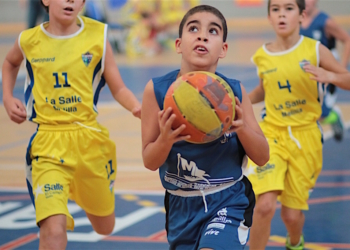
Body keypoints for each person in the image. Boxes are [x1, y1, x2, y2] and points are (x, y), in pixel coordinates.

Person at [2, 0, 141, 249]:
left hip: (90, 142)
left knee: (105, 226)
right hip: (48, 145)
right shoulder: (28, 40)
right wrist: (8, 96)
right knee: (53, 230)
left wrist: (136, 107)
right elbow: (10, 63)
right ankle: (60, 192)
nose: (71, 0)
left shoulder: (98, 35)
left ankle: (82, 190)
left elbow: (118, 87)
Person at [141, 5, 269, 249]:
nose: (202, 35)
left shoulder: (235, 93)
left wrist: (241, 128)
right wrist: (165, 140)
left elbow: (262, 157)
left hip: (228, 200)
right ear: (178, 44)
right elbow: (149, 160)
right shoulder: (156, 90)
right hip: (181, 205)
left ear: (223, 49)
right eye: (193, 28)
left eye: (213, 30)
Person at [246, 0, 350, 249]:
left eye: (289, 8)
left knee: (291, 216)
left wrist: (330, 75)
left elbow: (346, 79)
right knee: (264, 207)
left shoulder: (315, 50)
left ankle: (295, 242)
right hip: (271, 135)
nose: (282, 14)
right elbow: (264, 89)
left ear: (302, 16)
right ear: (269, 17)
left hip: (306, 139)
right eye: (276, 9)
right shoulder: (262, 55)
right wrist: (241, 102)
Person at [300, 0, 350, 141]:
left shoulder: (325, 22)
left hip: (327, 75)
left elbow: (347, 40)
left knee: (319, 113)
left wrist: (342, 68)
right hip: (307, 74)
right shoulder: (296, 22)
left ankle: (333, 115)